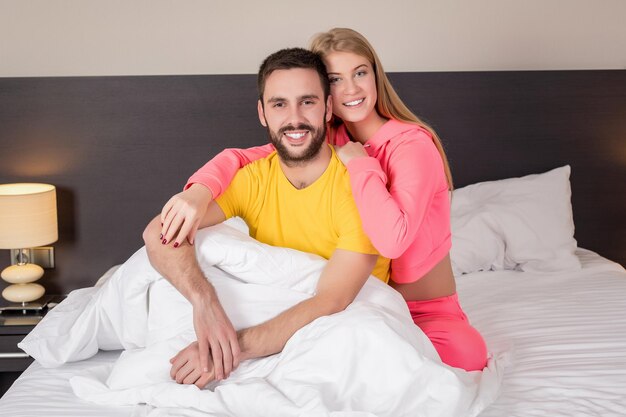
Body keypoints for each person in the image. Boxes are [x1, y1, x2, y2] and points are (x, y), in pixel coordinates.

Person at [159, 28, 488, 372]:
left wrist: (361, 165)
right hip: (370, 300)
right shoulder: (329, 135)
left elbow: (391, 240)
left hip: (425, 308)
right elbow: (247, 156)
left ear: (376, 76)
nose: (351, 89)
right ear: (326, 95)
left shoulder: (410, 146)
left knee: (463, 359)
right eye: (335, 79)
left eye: (360, 73)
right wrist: (199, 189)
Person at [143, 47, 389, 388]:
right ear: (262, 112)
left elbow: (332, 299)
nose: (294, 118)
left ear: (328, 108)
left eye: (307, 101)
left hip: (349, 324)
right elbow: (159, 233)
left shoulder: (358, 186)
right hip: (274, 319)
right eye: (279, 104)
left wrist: (226, 348)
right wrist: (205, 304)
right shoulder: (253, 179)